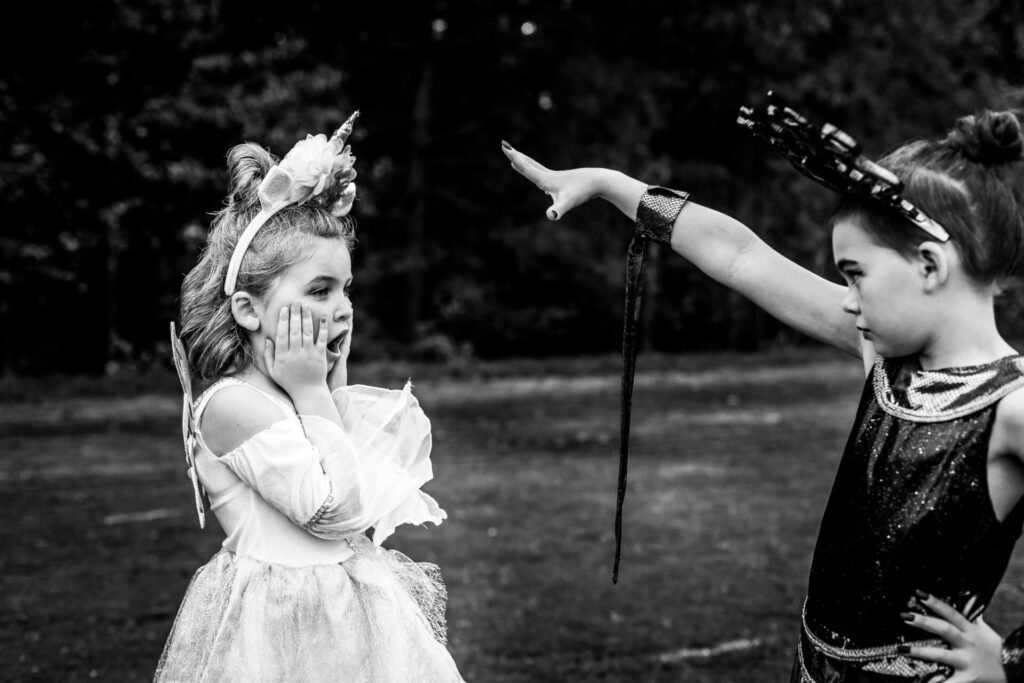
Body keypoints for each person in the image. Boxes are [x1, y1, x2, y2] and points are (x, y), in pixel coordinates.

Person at [502, 99, 1024, 682]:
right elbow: (742, 255)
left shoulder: (1011, 407)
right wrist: (612, 185)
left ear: (929, 266)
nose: (848, 300)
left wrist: (1007, 663)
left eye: (856, 274)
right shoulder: (886, 355)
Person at [156, 113, 464, 682]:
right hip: (279, 628)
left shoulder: (303, 394)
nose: (342, 307)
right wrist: (312, 391)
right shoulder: (231, 405)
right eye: (319, 291)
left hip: (351, 613)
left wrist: (324, 386)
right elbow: (335, 512)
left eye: (346, 288)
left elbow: (357, 486)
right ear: (249, 310)